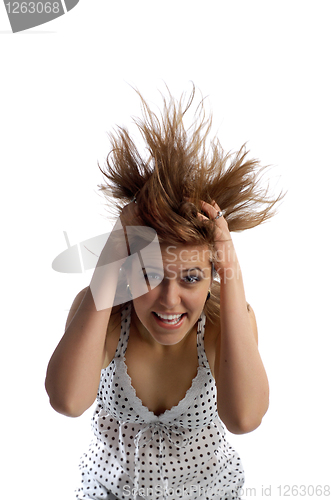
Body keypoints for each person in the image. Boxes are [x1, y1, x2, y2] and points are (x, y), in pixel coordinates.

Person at [45, 87, 282, 500]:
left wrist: (231, 268)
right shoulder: (102, 313)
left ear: (213, 276)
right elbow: (67, 400)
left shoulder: (228, 321)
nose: (169, 300)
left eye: (191, 278)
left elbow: (244, 419)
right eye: (150, 275)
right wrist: (112, 255)